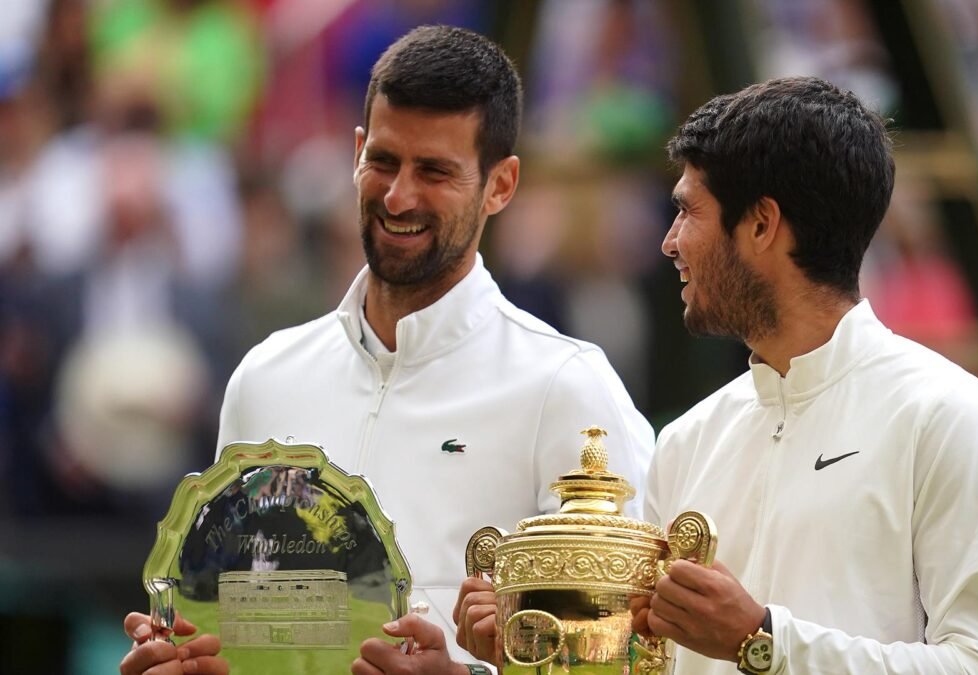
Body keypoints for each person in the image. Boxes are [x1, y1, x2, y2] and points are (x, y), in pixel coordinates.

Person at [455, 77, 978, 674]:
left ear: (761, 224)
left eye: (687, 211)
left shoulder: (956, 421)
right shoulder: (688, 442)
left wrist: (761, 640)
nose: (669, 242)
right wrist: (517, 652)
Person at [119, 25, 654, 675]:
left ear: (501, 185)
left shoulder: (568, 388)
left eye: (434, 171)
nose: (400, 196)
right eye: (384, 161)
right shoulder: (265, 376)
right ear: (355, 153)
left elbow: (631, 657)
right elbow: (238, 621)